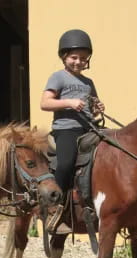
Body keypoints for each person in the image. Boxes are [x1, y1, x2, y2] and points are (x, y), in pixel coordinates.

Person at [41, 29, 105, 234]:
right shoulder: (58, 77)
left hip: (88, 128)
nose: (78, 62)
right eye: (74, 57)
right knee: (66, 163)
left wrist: (98, 108)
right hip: (66, 130)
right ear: (64, 57)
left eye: (83, 59)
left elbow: (91, 107)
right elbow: (45, 103)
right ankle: (54, 209)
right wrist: (69, 102)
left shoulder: (88, 83)